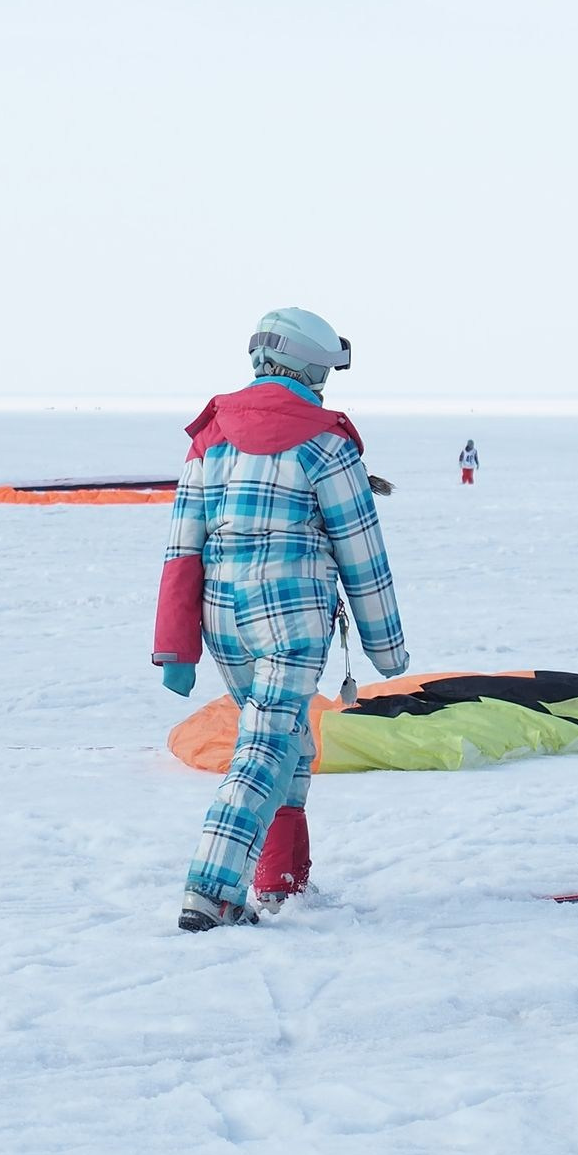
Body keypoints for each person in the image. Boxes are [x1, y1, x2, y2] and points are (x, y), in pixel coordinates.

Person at [154, 309, 409, 932]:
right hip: (292, 620)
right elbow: (362, 554)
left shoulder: (210, 435)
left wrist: (176, 647)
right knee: (265, 745)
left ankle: (281, 880)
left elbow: (182, 548)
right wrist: (387, 649)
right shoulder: (327, 442)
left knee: (287, 736)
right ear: (310, 368)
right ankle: (211, 892)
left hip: (224, 621)